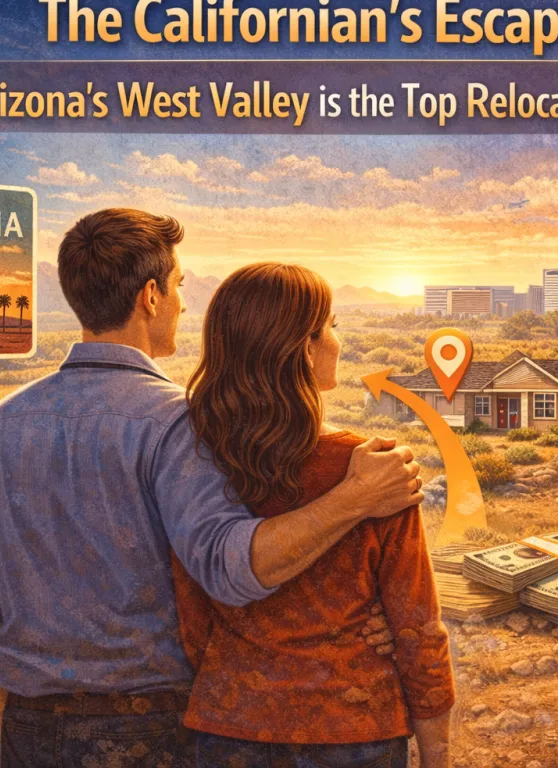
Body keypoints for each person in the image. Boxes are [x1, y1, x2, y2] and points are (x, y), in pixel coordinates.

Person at [0, 209, 424, 768]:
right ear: (150, 295)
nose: (182, 303)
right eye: (177, 286)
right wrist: (354, 500)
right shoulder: (176, 423)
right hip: (153, 727)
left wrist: (14, 727)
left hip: (31, 727)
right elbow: (231, 569)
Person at [170, 262, 454, 768]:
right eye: (334, 327)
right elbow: (418, 630)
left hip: (234, 724)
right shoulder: (374, 469)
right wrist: (438, 754)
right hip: (355, 722)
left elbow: (191, 620)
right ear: (304, 347)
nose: (338, 342)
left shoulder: (199, 465)